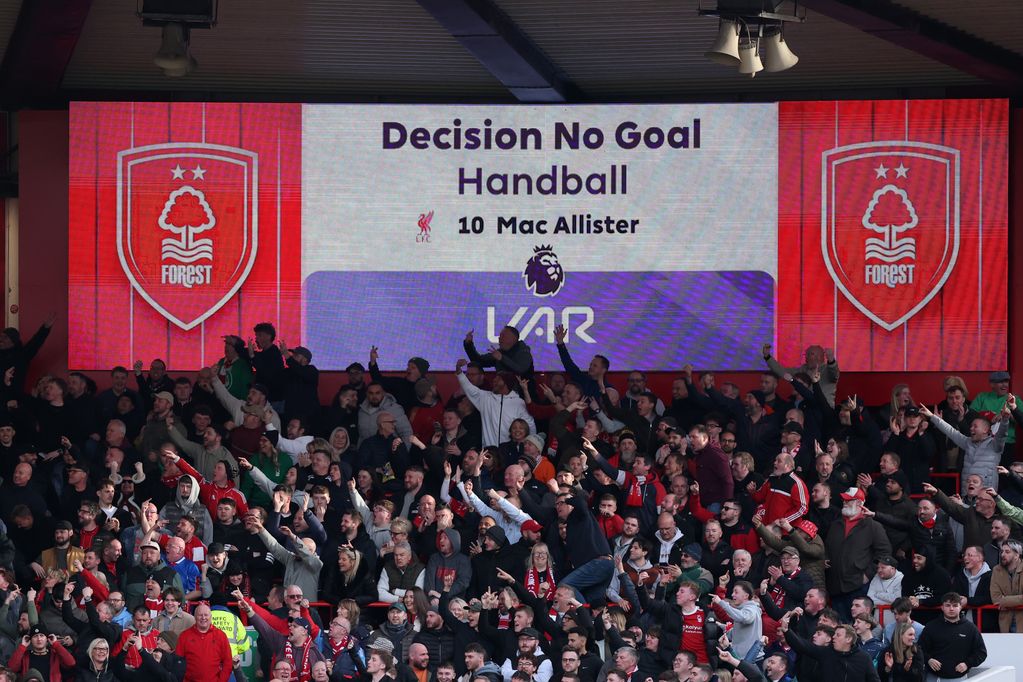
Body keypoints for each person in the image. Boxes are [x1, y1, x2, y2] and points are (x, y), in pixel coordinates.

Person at [917, 593, 986, 682]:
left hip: (959, 678)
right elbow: (919, 649)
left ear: (960, 607)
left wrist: (967, 664)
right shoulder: (931, 627)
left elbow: (981, 653)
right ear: (942, 607)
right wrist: (928, 659)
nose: (951, 608)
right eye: (948, 605)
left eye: (955, 605)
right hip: (933, 677)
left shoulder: (971, 628)